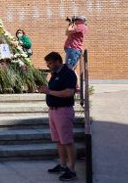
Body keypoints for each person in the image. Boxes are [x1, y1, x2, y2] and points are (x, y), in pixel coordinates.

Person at [38, 52, 78, 181]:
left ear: (57, 61)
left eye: (50, 63)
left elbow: (69, 92)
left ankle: (72, 170)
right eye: (48, 63)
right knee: (59, 141)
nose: (48, 66)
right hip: (53, 111)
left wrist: (48, 91)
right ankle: (62, 165)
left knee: (67, 141)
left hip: (64, 111)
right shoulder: (55, 74)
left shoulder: (68, 73)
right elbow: (53, 91)